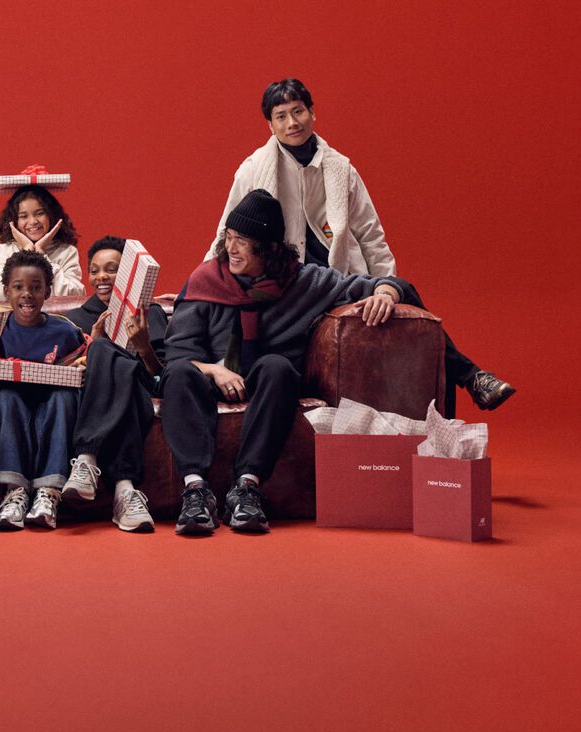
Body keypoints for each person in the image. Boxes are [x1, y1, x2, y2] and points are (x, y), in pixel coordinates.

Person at [208, 78, 515, 411]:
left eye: (298, 112)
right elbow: (227, 232)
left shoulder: (341, 169)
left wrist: (387, 291)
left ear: (313, 113)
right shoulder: (253, 169)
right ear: (270, 125)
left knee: (403, 295)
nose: (292, 123)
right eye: (281, 116)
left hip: (334, 279)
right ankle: (470, 376)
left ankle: (470, 385)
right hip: (286, 285)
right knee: (400, 291)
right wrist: (201, 285)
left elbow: (370, 234)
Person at [164, 190, 413, 537]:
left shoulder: (303, 282)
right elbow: (177, 355)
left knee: (278, 366)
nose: (232, 249)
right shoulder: (207, 280)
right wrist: (215, 369)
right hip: (210, 379)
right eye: (230, 239)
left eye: (243, 242)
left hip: (267, 385)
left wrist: (387, 293)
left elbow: (379, 284)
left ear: (267, 248)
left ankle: (247, 488)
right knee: (179, 374)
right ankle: (195, 490)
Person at [0, 252, 87, 531]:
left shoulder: (66, 330)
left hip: (53, 401)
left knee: (64, 397)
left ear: (48, 291)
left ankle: (49, 492)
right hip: (12, 404)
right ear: (6, 291)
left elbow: (84, 362)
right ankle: (14, 492)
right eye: (19, 287)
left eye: (36, 287)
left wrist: (83, 367)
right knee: (7, 397)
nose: (27, 295)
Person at [59, 236, 168, 532]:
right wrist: (92, 346)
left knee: (113, 359)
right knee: (101, 349)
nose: (101, 277)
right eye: (94, 270)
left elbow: (162, 381)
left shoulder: (151, 313)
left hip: (142, 388)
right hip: (103, 396)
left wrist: (143, 347)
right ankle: (124, 490)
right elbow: (66, 374)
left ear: (128, 275)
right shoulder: (75, 319)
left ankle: (86, 458)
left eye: (112, 269)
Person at [0, 185, 86, 304]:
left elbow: (73, 296)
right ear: (14, 221)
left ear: (51, 215)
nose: (33, 222)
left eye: (39, 213)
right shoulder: (2, 248)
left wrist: (40, 254)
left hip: (56, 319)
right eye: (23, 216)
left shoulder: (67, 251)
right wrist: (26, 251)